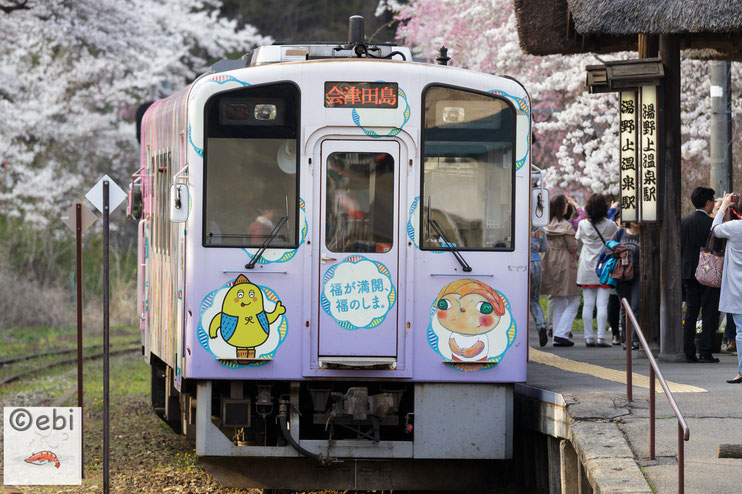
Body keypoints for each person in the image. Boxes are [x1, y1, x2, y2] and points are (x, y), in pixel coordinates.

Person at [680, 186, 720, 363]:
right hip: (708, 270)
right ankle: (705, 351)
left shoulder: (684, 222)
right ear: (708, 203)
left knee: (691, 311)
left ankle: (688, 351)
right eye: (712, 201)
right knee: (709, 311)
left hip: (689, 271)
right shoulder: (712, 224)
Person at [575, 193, 618, 347]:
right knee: (602, 304)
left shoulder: (582, 225)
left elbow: (578, 242)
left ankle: (588, 337)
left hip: (586, 267)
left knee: (588, 304)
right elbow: (614, 242)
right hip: (604, 268)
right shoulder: (610, 225)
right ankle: (601, 337)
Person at [710, 192, 742, 383]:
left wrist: (723, 206)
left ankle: (741, 370)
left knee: (740, 331)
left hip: (737, 287)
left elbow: (714, 229)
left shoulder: (734, 227)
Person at [541, 194, 579, 347]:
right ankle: (561, 333)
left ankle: (557, 333)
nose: (566, 208)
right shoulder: (566, 226)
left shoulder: (545, 224)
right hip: (564, 263)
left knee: (559, 299)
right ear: (560, 208)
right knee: (574, 300)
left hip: (549, 261)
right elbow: (573, 247)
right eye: (564, 205)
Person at [613, 220, 641, 350]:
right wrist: (619, 252)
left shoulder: (644, 235)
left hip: (638, 275)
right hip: (622, 276)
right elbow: (608, 250)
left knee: (635, 307)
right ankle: (627, 339)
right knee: (625, 308)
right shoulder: (620, 233)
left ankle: (634, 339)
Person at [530, 225, 549, 347]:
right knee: (534, 300)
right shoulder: (541, 229)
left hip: (520, 263)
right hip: (536, 263)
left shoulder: (517, 224)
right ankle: (541, 325)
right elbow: (544, 248)